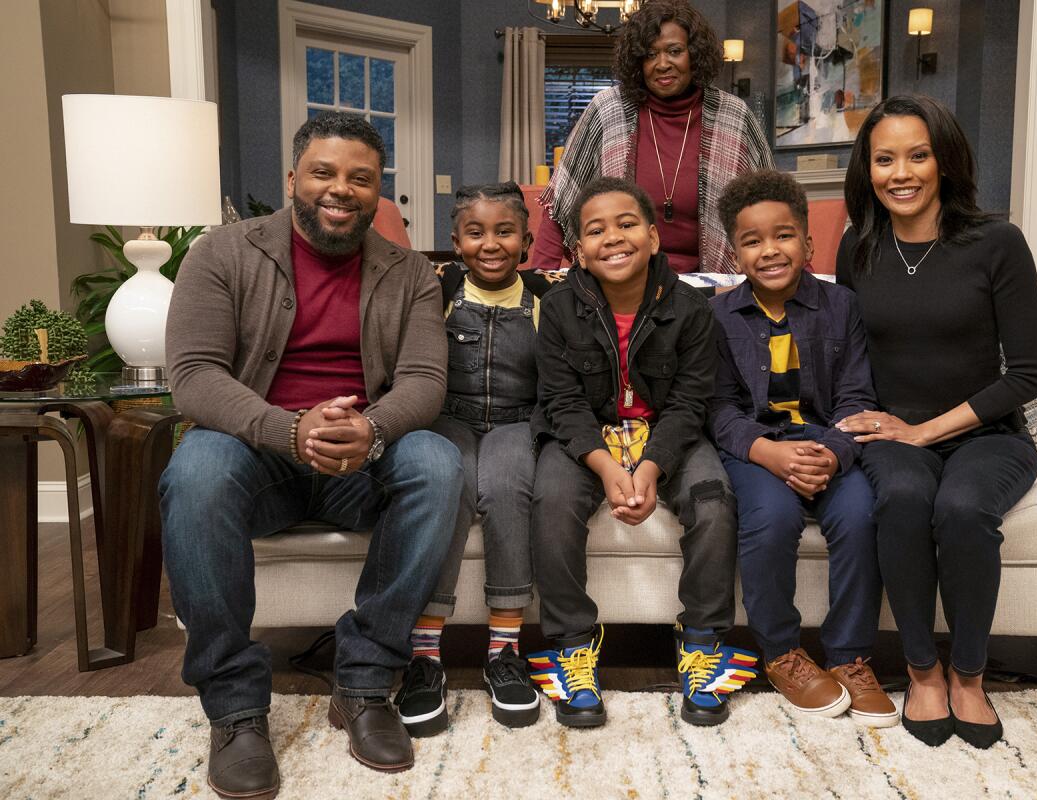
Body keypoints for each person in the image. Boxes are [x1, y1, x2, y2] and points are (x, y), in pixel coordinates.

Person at [159, 111, 462, 798]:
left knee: (439, 465)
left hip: (361, 459)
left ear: (378, 192)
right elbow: (195, 377)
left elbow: (424, 382)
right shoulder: (222, 253)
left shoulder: (411, 273)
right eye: (324, 172)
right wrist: (289, 430)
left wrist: (375, 429)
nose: (341, 189)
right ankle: (236, 710)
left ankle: (364, 686)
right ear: (293, 177)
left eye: (361, 178)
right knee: (196, 470)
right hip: (255, 456)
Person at [834, 95, 1037, 749]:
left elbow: (1027, 376)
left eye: (918, 155)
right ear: (867, 170)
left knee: (960, 509)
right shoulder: (857, 249)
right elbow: (846, 356)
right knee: (900, 497)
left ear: (945, 161)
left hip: (987, 433)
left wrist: (925, 431)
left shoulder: (997, 243)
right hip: (893, 434)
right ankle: (923, 672)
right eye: (885, 158)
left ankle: (969, 675)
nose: (902, 172)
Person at [526, 177, 756, 729]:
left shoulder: (690, 308)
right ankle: (571, 647)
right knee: (552, 502)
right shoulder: (558, 308)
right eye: (595, 230)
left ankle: (702, 644)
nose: (613, 238)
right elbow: (561, 401)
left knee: (714, 500)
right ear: (578, 249)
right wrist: (605, 466)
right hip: (585, 435)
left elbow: (690, 401)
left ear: (653, 237)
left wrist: (650, 465)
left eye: (627, 224)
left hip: (665, 432)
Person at [710, 170, 899, 728]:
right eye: (752, 240)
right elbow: (717, 408)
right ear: (735, 253)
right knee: (769, 519)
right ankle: (782, 653)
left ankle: (849, 656)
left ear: (808, 242)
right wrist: (767, 453)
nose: (770, 250)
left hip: (829, 444)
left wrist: (836, 451)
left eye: (784, 235)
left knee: (863, 514)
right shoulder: (718, 316)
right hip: (759, 452)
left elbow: (857, 393)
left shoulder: (843, 306)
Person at [394, 182, 549, 736]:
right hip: (448, 417)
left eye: (505, 232)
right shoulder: (434, 296)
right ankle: (425, 656)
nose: (491, 243)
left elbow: (556, 384)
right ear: (455, 241)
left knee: (507, 488)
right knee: (448, 484)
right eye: (476, 232)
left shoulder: (543, 302)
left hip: (517, 420)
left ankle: (503, 652)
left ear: (526, 241)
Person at [530, 0, 772, 274]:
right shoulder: (606, 109)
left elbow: (774, 208)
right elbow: (562, 203)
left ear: (695, 55)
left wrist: (805, 287)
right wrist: (540, 281)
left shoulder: (734, 114)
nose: (662, 64)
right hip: (621, 283)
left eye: (674, 51)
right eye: (650, 54)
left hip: (713, 288)